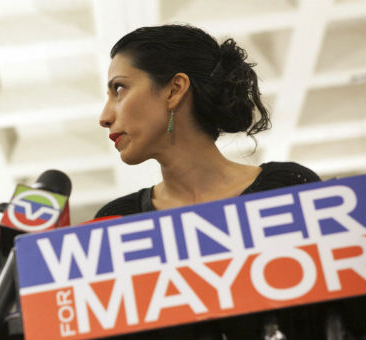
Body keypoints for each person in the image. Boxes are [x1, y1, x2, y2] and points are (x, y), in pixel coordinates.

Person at [95, 24, 331, 339]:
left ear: (174, 90)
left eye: (119, 89)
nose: (104, 115)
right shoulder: (115, 223)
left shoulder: (287, 189)